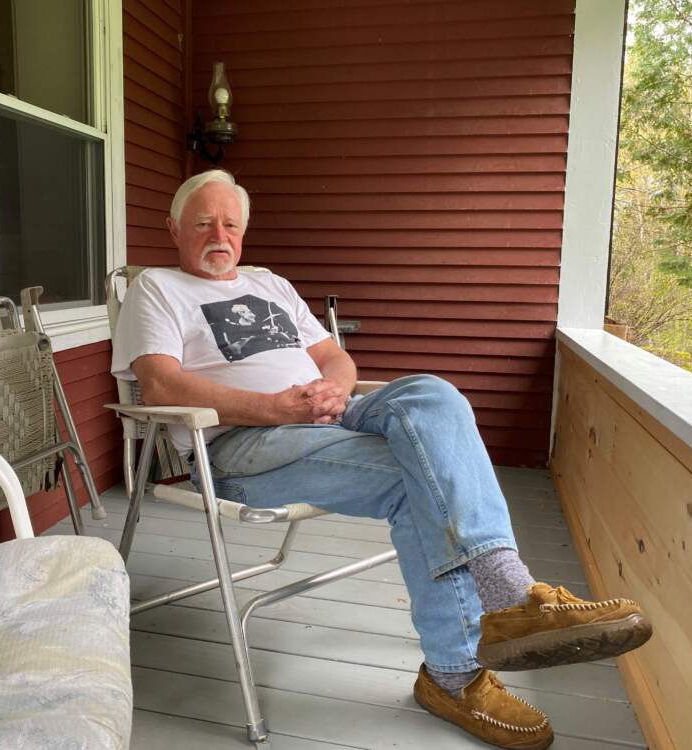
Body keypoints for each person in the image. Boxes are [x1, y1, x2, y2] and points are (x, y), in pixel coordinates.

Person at [111, 169, 652, 750]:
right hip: (243, 444)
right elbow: (162, 385)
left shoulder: (270, 283)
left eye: (231, 224)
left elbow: (334, 358)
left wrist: (336, 390)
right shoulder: (158, 290)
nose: (219, 234)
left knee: (434, 392)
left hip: (331, 414)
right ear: (173, 229)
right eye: (203, 223)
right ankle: (469, 655)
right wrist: (274, 408)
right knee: (415, 480)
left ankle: (503, 598)